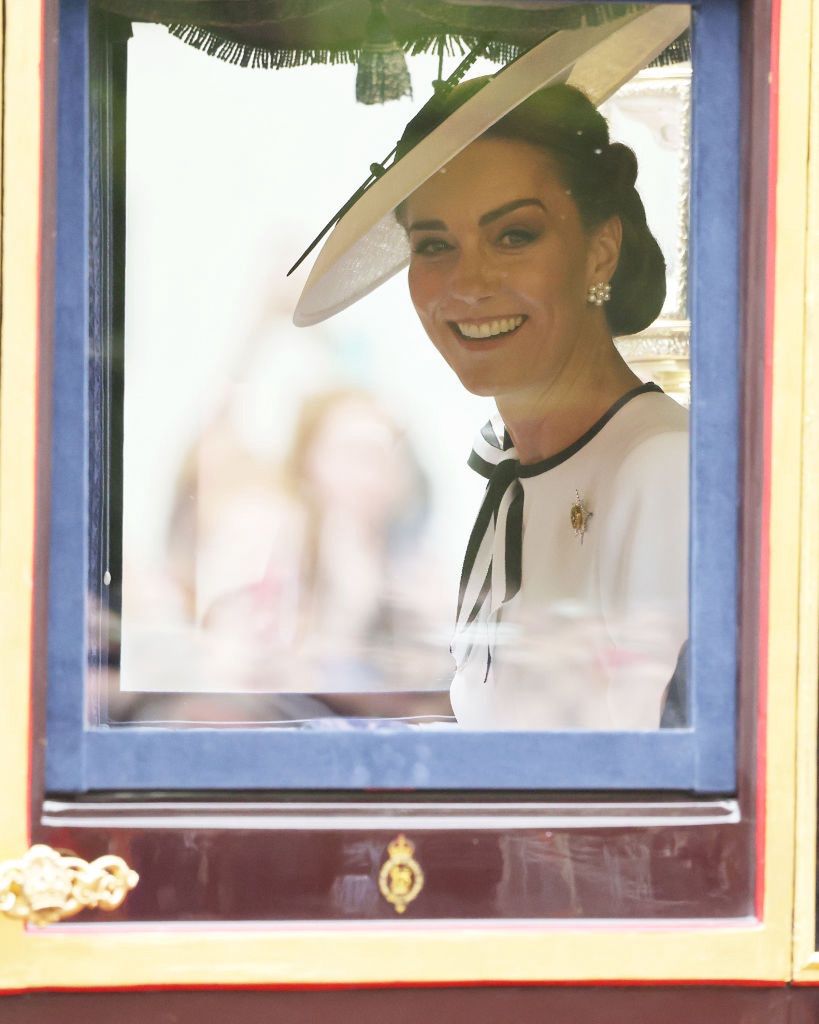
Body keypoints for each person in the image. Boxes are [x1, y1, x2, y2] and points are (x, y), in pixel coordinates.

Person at [293, 18, 689, 730]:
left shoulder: (659, 467)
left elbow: (638, 787)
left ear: (599, 252)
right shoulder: (509, 474)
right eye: (434, 244)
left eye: (513, 236)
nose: (467, 284)